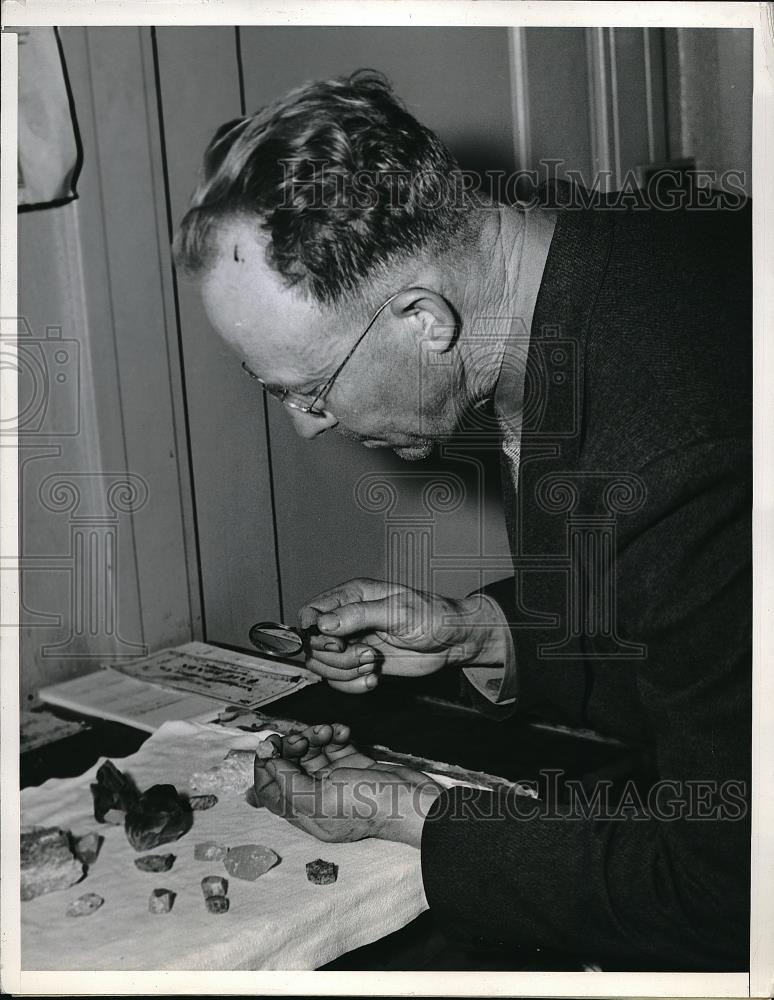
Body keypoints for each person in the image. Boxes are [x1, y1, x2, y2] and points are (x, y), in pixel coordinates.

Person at [173, 70, 751, 971]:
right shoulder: (600, 255)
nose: (306, 426)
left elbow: (729, 895)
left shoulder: (678, 448)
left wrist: (412, 813)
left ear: (422, 318)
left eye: (309, 390)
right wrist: (482, 635)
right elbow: (698, 621)